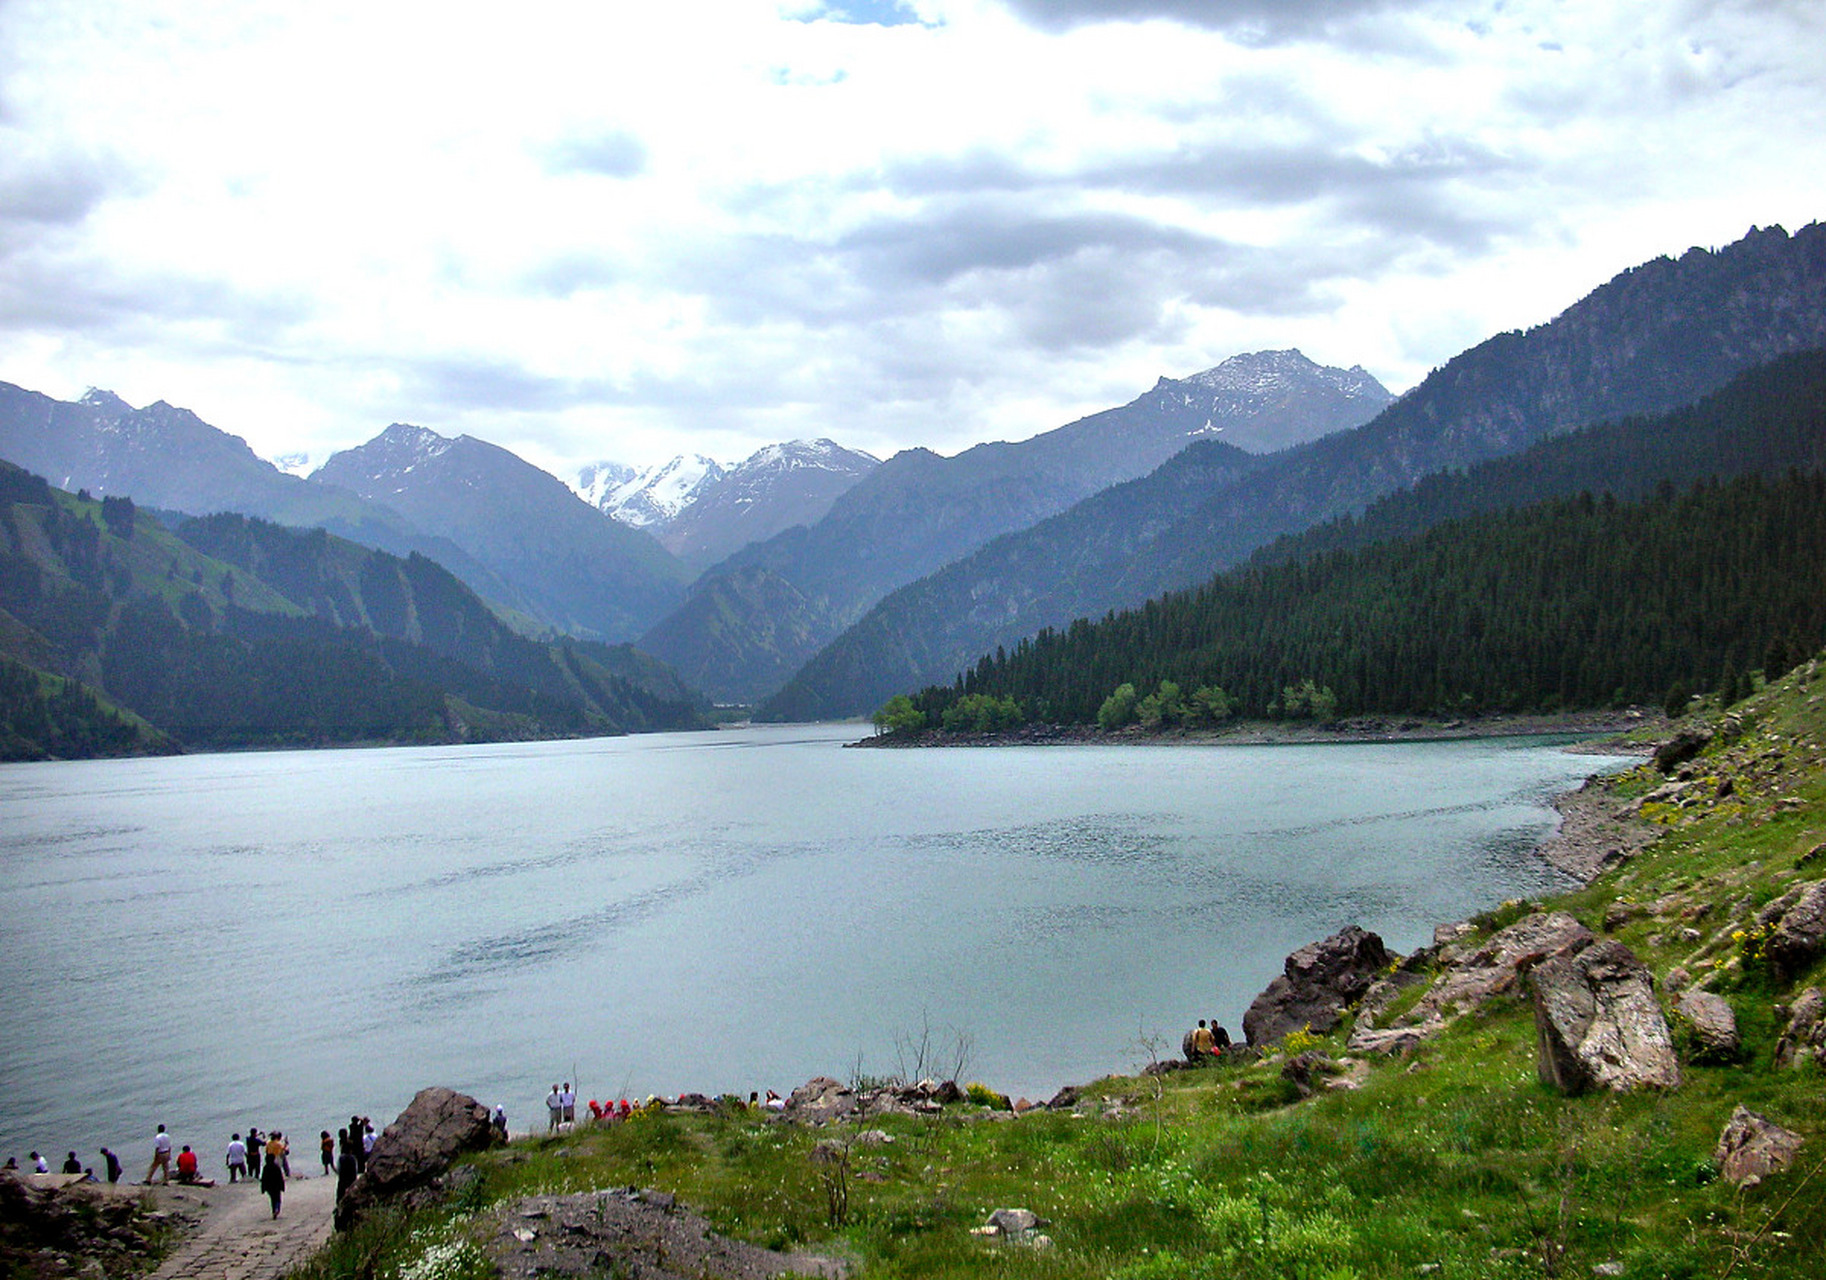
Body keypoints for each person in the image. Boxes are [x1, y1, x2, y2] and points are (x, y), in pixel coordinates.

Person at [260, 1147, 285, 1218]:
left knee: (272, 1199)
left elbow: (263, 1178)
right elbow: (280, 1177)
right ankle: (277, 1209)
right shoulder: (276, 1167)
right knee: (278, 1198)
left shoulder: (265, 1168)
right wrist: (282, 1186)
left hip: (269, 1187)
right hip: (276, 1186)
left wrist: (263, 1188)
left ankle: (274, 1210)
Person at [334, 1132, 357, 1204]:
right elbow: (355, 1169)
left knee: (340, 1194)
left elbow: (339, 1169)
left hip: (343, 1178)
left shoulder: (341, 1157)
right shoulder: (353, 1158)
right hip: (351, 1178)